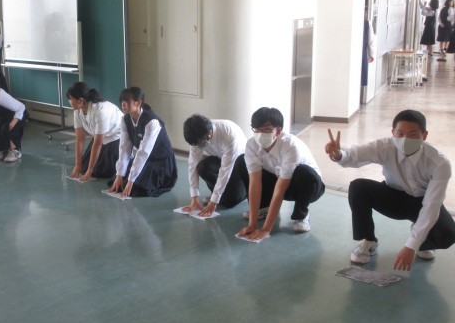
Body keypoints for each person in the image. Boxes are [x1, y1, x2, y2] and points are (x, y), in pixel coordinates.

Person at [325, 109, 455, 271]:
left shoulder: (439, 163)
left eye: (412, 134)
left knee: (448, 234)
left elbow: (431, 206)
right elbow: (355, 153)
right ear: (393, 132)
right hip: (393, 197)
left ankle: (423, 243)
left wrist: (411, 246)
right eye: (400, 133)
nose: (405, 139)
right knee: (358, 187)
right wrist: (338, 154)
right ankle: (369, 240)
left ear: (424, 135)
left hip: (422, 201)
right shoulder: (385, 146)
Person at [237, 107, 324, 241]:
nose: (260, 134)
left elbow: (280, 190)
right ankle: (264, 208)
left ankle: (301, 215)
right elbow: (254, 183)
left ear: (278, 130)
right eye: (256, 129)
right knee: (241, 161)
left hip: (308, 186)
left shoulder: (290, 145)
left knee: (304, 172)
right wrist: (252, 225)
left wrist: (266, 229)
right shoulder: (251, 145)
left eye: (266, 129)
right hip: (279, 179)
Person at [109, 87, 178, 197]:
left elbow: (143, 152)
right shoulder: (125, 119)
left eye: (126, 101)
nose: (123, 104)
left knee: (134, 188)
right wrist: (120, 174)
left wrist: (131, 181)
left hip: (160, 161)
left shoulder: (152, 121)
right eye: (122, 101)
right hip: (146, 159)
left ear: (138, 102)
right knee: (117, 181)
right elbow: (124, 148)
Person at [182, 115, 248, 218]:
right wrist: (194, 197)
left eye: (200, 143)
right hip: (220, 158)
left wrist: (213, 202)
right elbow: (193, 164)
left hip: (240, 163)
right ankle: (217, 195)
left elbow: (225, 170)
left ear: (209, 134)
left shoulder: (228, 133)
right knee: (202, 167)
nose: (198, 146)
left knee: (231, 202)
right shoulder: (197, 136)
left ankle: (245, 190)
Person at [67, 81, 122, 181]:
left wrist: (90, 170)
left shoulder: (100, 110)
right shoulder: (77, 110)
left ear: (80, 100)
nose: (69, 101)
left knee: (99, 171)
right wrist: (78, 165)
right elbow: (80, 139)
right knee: (83, 168)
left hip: (116, 137)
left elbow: (98, 144)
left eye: (70, 99)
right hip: (100, 137)